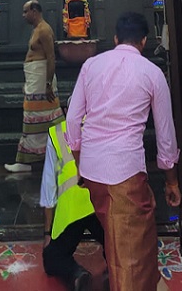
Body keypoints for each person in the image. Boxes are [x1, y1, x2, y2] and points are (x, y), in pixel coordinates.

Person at [65, 12, 181, 291]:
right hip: (124, 172)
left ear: (116, 39)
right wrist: (172, 180)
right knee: (129, 252)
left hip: (93, 170)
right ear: (144, 41)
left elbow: (71, 120)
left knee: (122, 239)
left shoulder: (91, 65)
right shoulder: (152, 73)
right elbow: (166, 136)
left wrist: (80, 163)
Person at [40, 114, 106, 291]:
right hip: (101, 205)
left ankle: (77, 275)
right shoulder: (104, 126)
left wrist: (48, 234)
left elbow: (48, 189)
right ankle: (112, 272)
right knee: (117, 246)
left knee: (52, 258)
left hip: (72, 210)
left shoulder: (57, 132)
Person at [5, 0, 64, 173]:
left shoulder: (44, 30)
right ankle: (27, 159)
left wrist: (47, 84)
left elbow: (51, 58)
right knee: (36, 116)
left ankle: (61, 156)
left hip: (41, 79)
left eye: (25, 12)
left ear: (34, 11)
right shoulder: (36, 30)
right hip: (35, 78)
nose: (23, 16)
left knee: (45, 116)